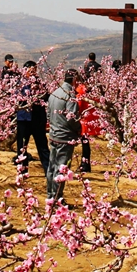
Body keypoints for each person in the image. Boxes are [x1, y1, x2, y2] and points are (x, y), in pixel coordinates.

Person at [47, 69, 81, 204]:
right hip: (65, 137)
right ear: (74, 80)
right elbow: (72, 118)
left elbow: (48, 116)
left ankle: (50, 195)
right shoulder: (70, 95)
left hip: (54, 134)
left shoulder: (54, 93)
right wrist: (78, 130)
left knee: (52, 167)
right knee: (61, 168)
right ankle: (57, 198)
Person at [16, 61, 50, 176]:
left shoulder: (40, 83)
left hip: (37, 119)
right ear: (25, 70)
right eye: (30, 70)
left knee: (42, 145)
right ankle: (22, 170)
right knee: (22, 146)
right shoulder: (19, 83)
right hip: (23, 118)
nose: (33, 72)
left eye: (34, 70)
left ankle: (48, 169)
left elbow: (46, 97)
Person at [76, 72, 102, 173]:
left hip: (84, 121)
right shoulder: (95, 90)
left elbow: (79, 105)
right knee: (86, 144)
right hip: (92, 119)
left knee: (85, 144)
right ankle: (86, 164)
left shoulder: (81, 90)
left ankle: (85, 164)